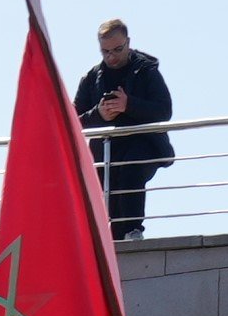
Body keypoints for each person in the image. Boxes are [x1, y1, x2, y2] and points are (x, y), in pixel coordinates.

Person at [74, 20, 176, 240]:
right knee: (106, 188)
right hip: (107, 150)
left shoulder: (146, 71)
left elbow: (164, 110)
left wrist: (128, 104)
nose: (111, 56)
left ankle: (132, 231)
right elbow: (73, 121)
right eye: (105, 51)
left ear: (128, 43)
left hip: (144, 144)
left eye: (118, 49)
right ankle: (112, 240)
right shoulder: (91, 78)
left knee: (130, 172)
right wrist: (98, 114)